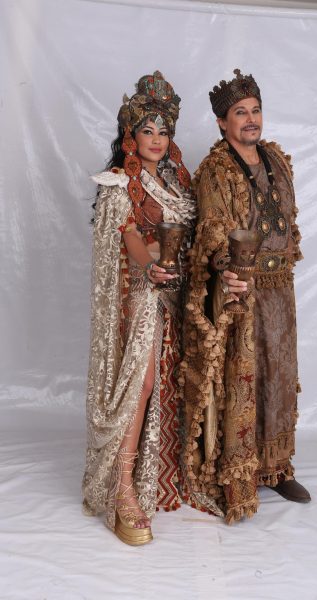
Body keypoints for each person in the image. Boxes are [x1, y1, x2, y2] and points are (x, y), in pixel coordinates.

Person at [180, 69, 310, 524]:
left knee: (280, 375)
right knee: (243, 379)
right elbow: (213, 230)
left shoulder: (276, 159)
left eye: (255, 110)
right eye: (240, 113)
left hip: (281, 289)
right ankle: (239, 477)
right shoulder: (215, 169)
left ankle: (277, 469)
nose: (251, 119)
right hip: (242, 291)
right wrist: (227, 269)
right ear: (222, 122)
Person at [82, 71, 196, 545]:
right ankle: (123, 488)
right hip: (144, 293)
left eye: (163, 131)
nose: (156, 139)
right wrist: (150, 266)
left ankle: (164, 474)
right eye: (147, 130)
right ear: (131, 135)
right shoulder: (119, 184)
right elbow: (129, 237)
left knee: (173, 381)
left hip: (180, 293)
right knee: (141, 383)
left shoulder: (178, 182)